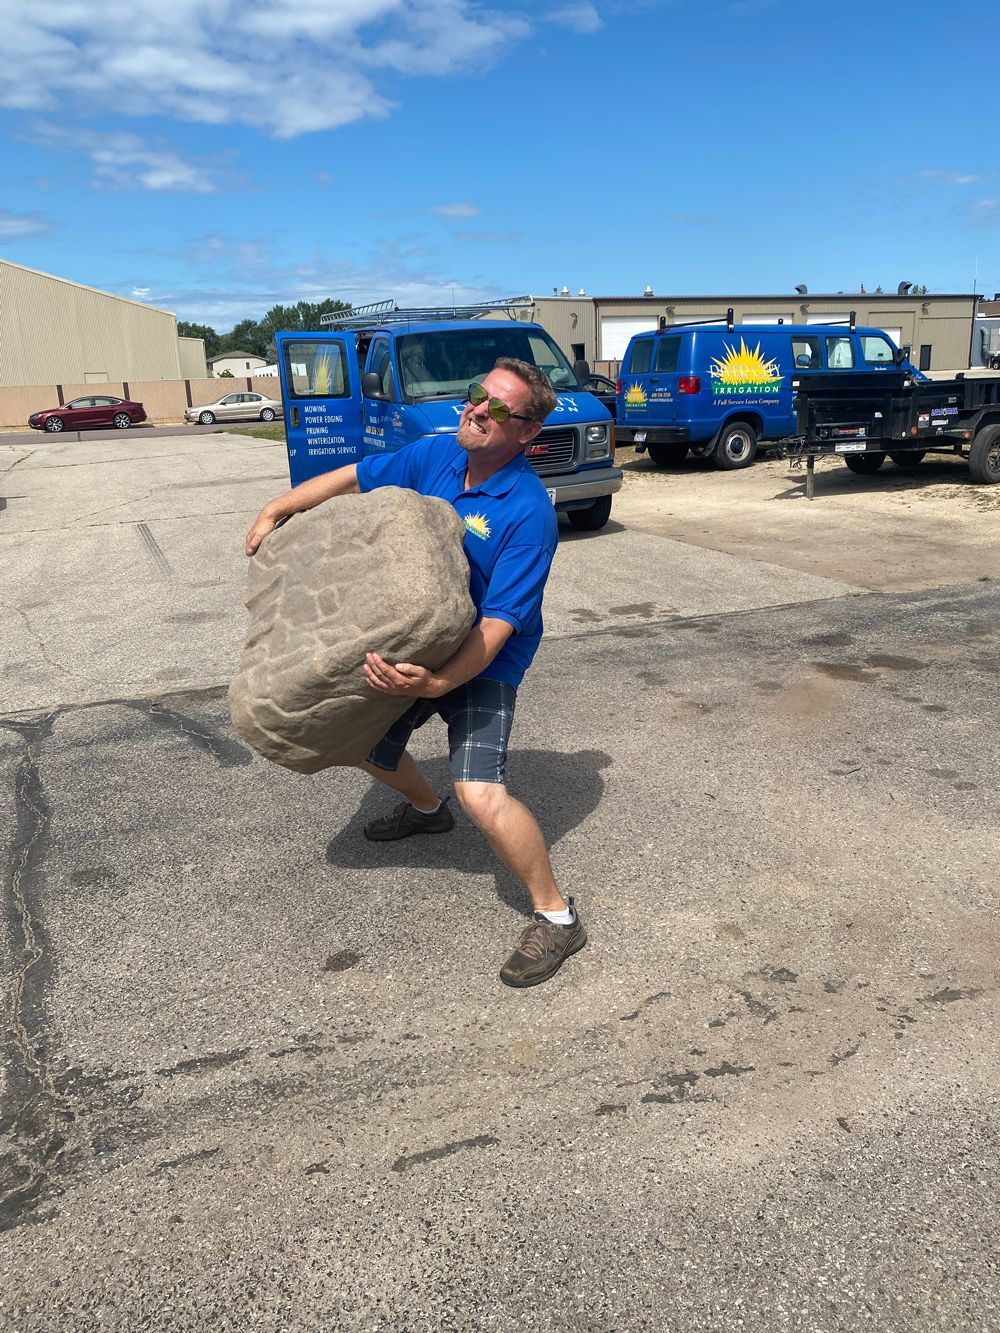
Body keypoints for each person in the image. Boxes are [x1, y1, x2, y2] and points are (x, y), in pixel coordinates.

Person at [245, 357, 585, 988]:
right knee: (356, 743)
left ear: (528, 432)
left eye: (500, 408)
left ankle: (557, 918)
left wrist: (435, 686)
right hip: (413, 644)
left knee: (481, 794)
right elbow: (353, 476)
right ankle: (425, 809)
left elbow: (498, 625)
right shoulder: (433, 456)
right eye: (476, 395)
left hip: (484, 658)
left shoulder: (527, 513)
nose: (478, 410)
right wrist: (276, 508)